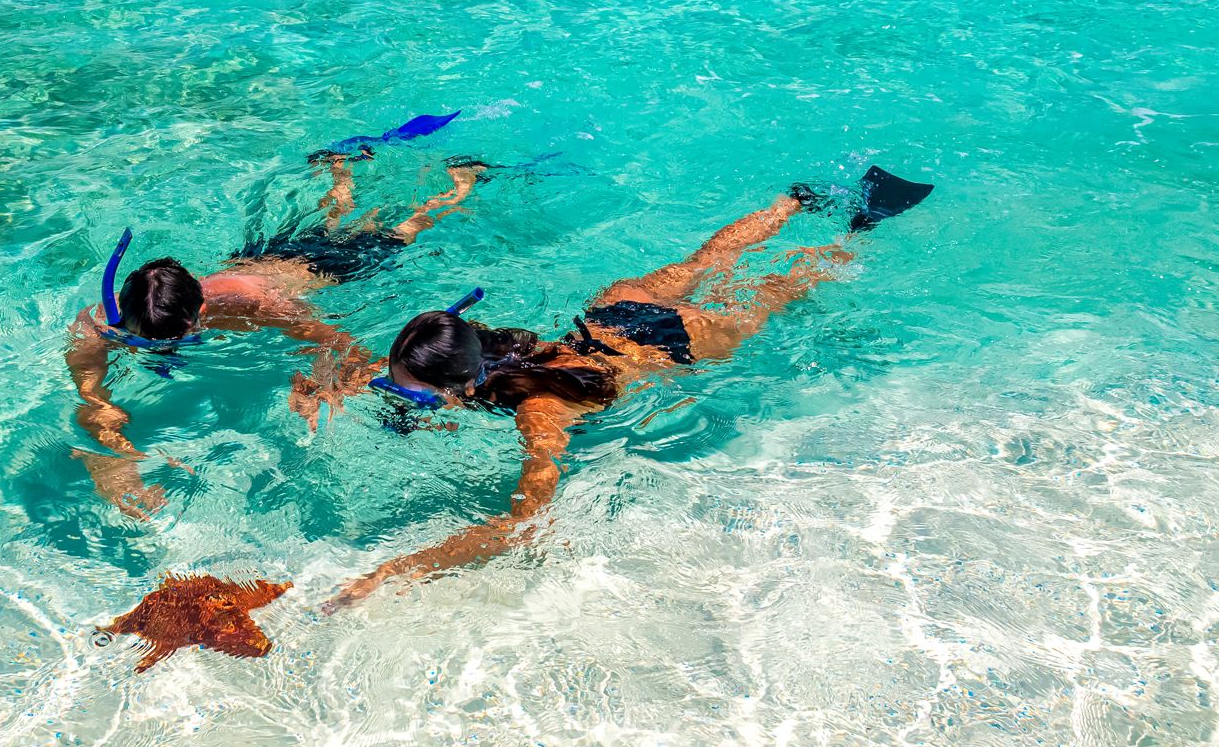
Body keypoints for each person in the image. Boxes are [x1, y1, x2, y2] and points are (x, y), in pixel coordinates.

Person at [326, 165, 932, 609]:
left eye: (412, 393)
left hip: (680, 341)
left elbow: (518, 526)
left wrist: (392, 572)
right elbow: (375, 369)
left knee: (779, 289)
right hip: (616, 311)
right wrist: (326, 383)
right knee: (700, 263)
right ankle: (792, 201)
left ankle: (858, 230)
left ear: (458, 383)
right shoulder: (478, 344)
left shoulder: (539, 412)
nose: (400, 393)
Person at [67, 148, 487, 518]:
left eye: (182, 339)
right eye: (145, 341)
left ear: (201, 313)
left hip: (324, 269)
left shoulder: (249, 303)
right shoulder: (103, 319)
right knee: (334, 218)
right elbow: (88, 391)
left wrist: (324, 381)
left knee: (403, 231)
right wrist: (111, 453)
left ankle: (462, 181)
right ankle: (340, 169)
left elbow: (328, 337)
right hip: (260, 259)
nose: (165, 350)